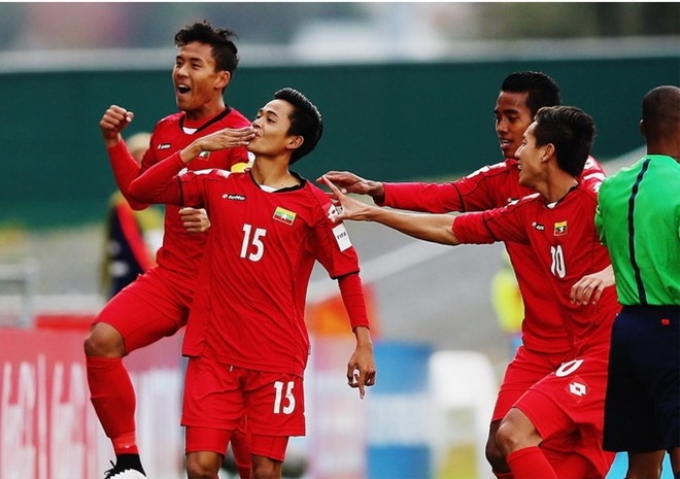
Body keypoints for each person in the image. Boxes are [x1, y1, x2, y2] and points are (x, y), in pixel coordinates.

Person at [321, 71, 611, 477]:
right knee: (500, 448)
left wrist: (611, 273)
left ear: (543, 133)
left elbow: (647, 241)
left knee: (542, 444)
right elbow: (448, 211)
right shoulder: (519, 200)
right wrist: (374, 200)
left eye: (512, 118)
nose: (501, 128)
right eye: (497, 116)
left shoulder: (597, 193)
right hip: (540, 345)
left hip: (595, 348)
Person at [127, 87, 377, 479]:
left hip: (276, 359)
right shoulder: (216, 183)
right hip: (213, 353)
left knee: (264, 470)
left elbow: (347, 272)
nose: (257, 122)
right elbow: (139, 191)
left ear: (293, 142)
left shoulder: (315, 207)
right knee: (199, 465)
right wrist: (193, 150)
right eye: (259, 114)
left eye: (270, 119)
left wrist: (362, 342)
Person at [86, 21, 253, 479]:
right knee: (101, 341)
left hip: (224, 291)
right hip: (174, 278)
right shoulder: (164, 130)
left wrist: (216, 218)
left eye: (194, 64)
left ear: (221, 79)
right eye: (179, 61)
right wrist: (113, 143)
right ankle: (128, 463)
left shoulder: (242, 136)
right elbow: (139, 195)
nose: (181, 71)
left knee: (243, 451)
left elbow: (253, 206)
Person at [595, 85, 680, 479]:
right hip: (672, 329)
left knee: (643, 463)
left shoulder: (612, 187)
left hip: (628, 330)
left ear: (643, 128)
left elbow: (603, 237)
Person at [100, 132, 164, 300]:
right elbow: (133, 245)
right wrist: (156, 276)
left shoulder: (155, 203)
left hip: (150, 278)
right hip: (132, 280)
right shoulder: (123, 203)